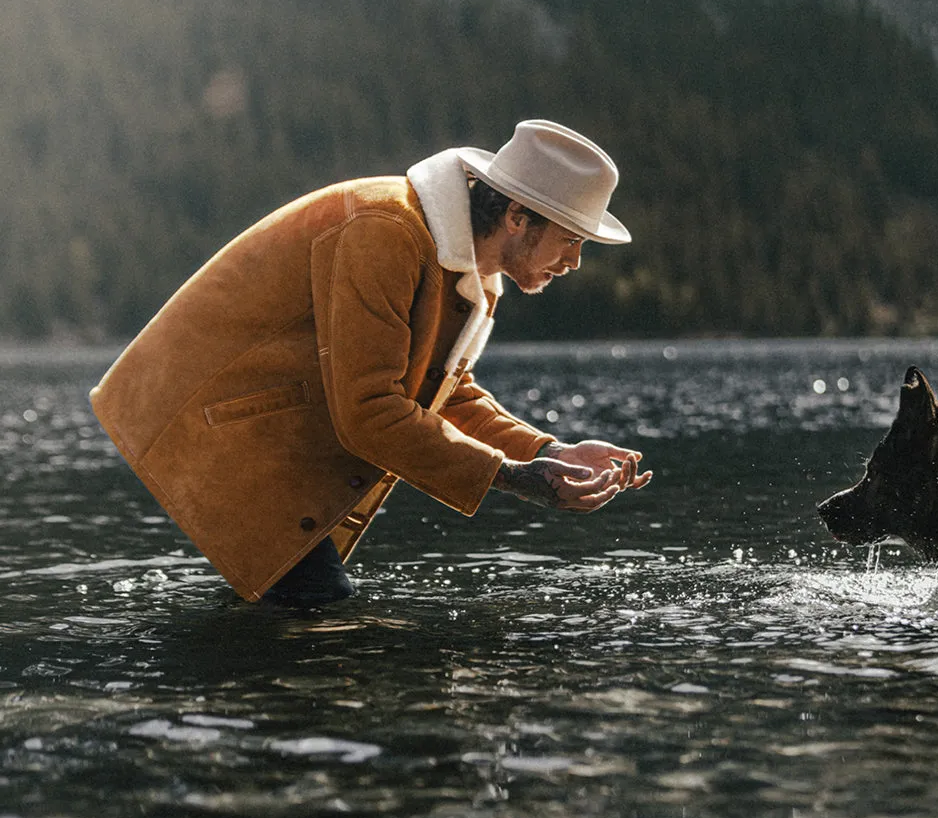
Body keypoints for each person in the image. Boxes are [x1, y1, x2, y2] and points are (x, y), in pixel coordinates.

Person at [90, 119, 651, 605]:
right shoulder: (384, 231)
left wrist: (549, 453)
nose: (575, 262)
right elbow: (369, 412)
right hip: (204, 420)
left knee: (293, 606)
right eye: (570, 239)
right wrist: (515, 479)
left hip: (262, 428)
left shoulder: (470, 267)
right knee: (316, 601)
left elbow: (445, 394)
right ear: (516, 217)